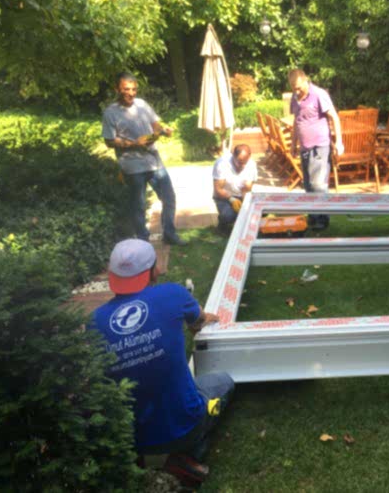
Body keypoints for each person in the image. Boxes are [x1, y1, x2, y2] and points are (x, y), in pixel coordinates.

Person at [88, 239, 234, 479]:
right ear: (153, 270)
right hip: (185, 426)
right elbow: (198, 320)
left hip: (131, 437)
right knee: (223, 382)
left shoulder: (95, 321)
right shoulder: (173, 293)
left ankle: (145, 460)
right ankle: (188, 454)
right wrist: (203, 318)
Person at [102, 72, 186, 246]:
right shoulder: (110, 112)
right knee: (138, 206)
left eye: (134, 89)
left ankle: (169, 234)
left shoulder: (142, 104)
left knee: (169, 198)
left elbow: (156, 126)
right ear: (117, 89)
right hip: (132, 166)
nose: (131, 93)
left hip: (154, 162)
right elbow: (109, 141)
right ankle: (142, 240)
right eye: (126, 89)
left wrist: (163, 131)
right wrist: (134, 144)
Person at [288, 69, 344, 230]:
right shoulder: (294, 97)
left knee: (318, 184)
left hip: (319, 146)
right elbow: (296, 121)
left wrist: (339, 142)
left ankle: (322, 219)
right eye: (293, 88)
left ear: (306, 81)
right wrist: (293, 143)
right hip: (304, 147)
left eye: (299, 88)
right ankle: (313, 216)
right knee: (308, 184)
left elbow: (334, 117)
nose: (296, 91)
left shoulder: (319, 94)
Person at [212, 144, 257, 231]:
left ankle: (241, 224)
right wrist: (231, 199)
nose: (242, 166)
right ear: (233, 155)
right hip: (223, 197)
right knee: (228, 216)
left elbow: (247, 188)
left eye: (245, 163)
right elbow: (218, 189)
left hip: (241, 195)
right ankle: (222, 225)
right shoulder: (221, 163)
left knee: (257, 212)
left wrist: (245, 202)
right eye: (240, 162)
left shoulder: (251, 165)